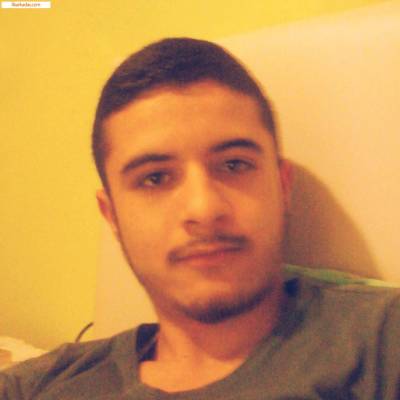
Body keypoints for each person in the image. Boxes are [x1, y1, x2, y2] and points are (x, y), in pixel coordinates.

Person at [1, 37, 399, 399]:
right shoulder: (39, 384)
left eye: (234, 164)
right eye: (155, 178)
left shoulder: (381, 342)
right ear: (113, 216)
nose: (204, 209)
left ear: (282, 186)